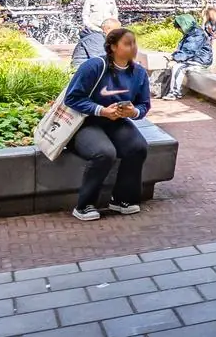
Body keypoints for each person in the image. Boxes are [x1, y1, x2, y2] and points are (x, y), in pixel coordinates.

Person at [60, 25, 151, 222]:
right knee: (104, 152)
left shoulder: (139, 73)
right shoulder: (94, 66)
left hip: (116, 122)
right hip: (86, 122)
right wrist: (101, 110)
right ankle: (84, 205)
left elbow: (144, 105)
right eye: (127, 43)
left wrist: (133, 111)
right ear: (113, 47)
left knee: (138, 147)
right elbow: (72, 98)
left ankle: (122, 199)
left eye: (134, 43)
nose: (133, 47)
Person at [167, 12, 213, 99]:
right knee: (175, 65)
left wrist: (175, 58)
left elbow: (189, 51)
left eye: (179, 27)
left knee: (178, 67)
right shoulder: (191, 33)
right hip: (193, 59)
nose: (178, 30)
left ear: (184, 25)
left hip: (200, 60)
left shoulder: (197, 34)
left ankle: (175, 93)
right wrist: (174, 56)